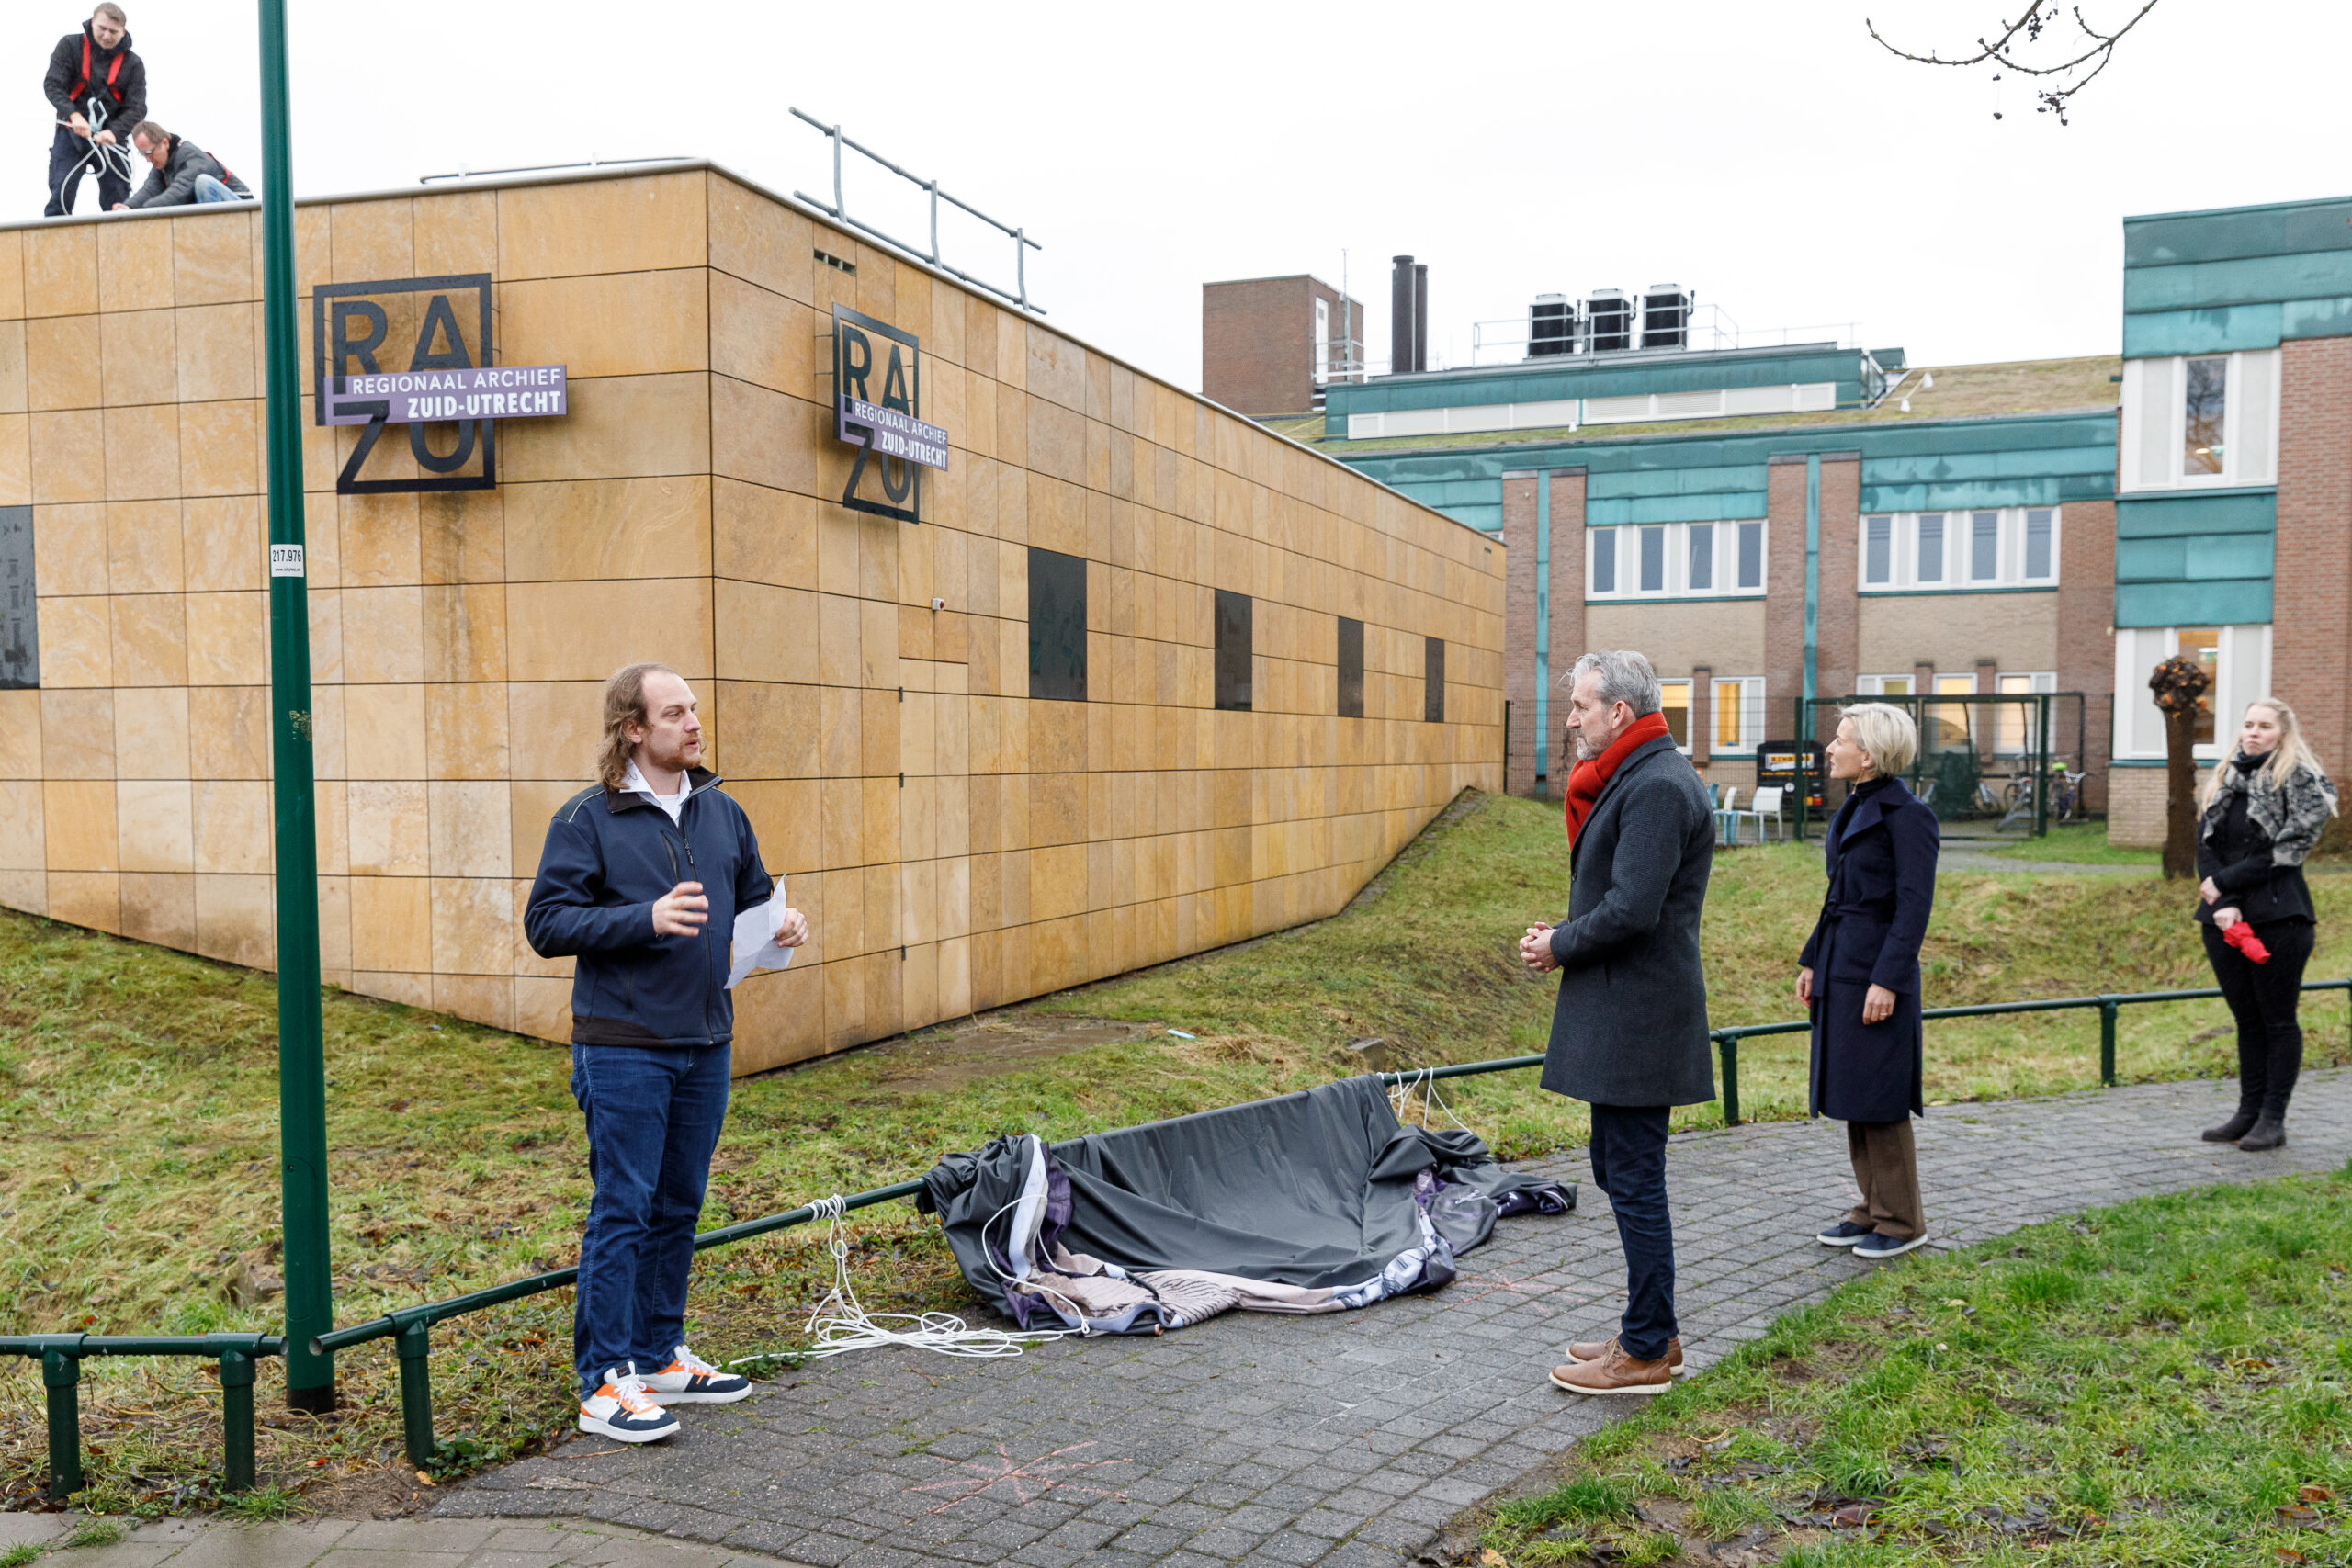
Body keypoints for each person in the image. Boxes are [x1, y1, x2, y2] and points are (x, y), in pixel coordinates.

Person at [525, 662, 809, 1442]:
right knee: (625, 1205)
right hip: (624, 1047)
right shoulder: (587, 819)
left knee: (679, 1204)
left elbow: (754, 900)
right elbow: (546, 924)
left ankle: (657, 1352)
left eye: (694, 709)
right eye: (675, 711)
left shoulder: (722, 811)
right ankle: (603, 1380)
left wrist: (782, 926)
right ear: (633, 729)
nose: (694, 722)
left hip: (706, 1040)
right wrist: (643, 918)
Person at [1519, 650, 1717, 1395]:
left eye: (1579, 706)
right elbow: (1621, 893)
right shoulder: (1643, 775)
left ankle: (1644, 1350)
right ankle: (1650, 1327)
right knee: (1617, 1166)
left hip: (1640, 1014)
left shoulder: (1658, 785)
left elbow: (1634, 907)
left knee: (1632, 1176)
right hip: (1627, 1009)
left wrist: (1561, 943)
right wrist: (1565, 936)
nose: (1570, 719)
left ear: (1620, 714)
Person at [1797, 705, 1939, 1260]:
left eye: (1841, 740)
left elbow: (1913, 909)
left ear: (1870, 755)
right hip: (1842, 962)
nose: (1830, 748)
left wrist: (1889, 980)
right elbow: (1839, 896)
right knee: (1857, 1091)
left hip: (1876, 970)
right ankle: (1874, 1206)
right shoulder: (1856, 805)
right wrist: (1812, 959)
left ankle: (1903, 1220)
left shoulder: (1908, 816)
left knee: (1880, 1096)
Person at [2195, 697, 2337, 1151]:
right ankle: (2247, 1112)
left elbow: (2286, 850)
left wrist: (2224, 885)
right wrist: (2225, 900)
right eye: (2248, 725)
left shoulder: (2301, 782)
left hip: (2279, 915)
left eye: (2264, 727)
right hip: (2221, 915)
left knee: (2277, 1019)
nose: (2253, 733)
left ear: (2284, 734)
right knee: (2246, 1019)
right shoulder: (2226, 780)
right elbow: (2205, 842)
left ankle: (2273, 1118)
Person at [43, 4, 145, 217]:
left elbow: (136, 108)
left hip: (111, 140)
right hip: (72, 132)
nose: (107, 36)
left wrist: (114, 132)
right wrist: (73, 114)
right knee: (62, 190)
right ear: (92, 23)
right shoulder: (70, 46)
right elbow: (53, 85)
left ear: (123, 32)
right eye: (102, 28)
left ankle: (120, 244)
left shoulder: (133, 64)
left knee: (118, 198)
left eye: (114, 32)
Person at [115, 122, 250, 209]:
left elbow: (180, 190)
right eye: (143, 154)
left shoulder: (191, 156)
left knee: (204, 183)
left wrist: (145, 210)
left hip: (244, 211)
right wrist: (128, 207)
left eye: (149, 152)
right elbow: (149, 190)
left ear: (165, 143)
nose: (148, 159)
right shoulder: (161, 166)